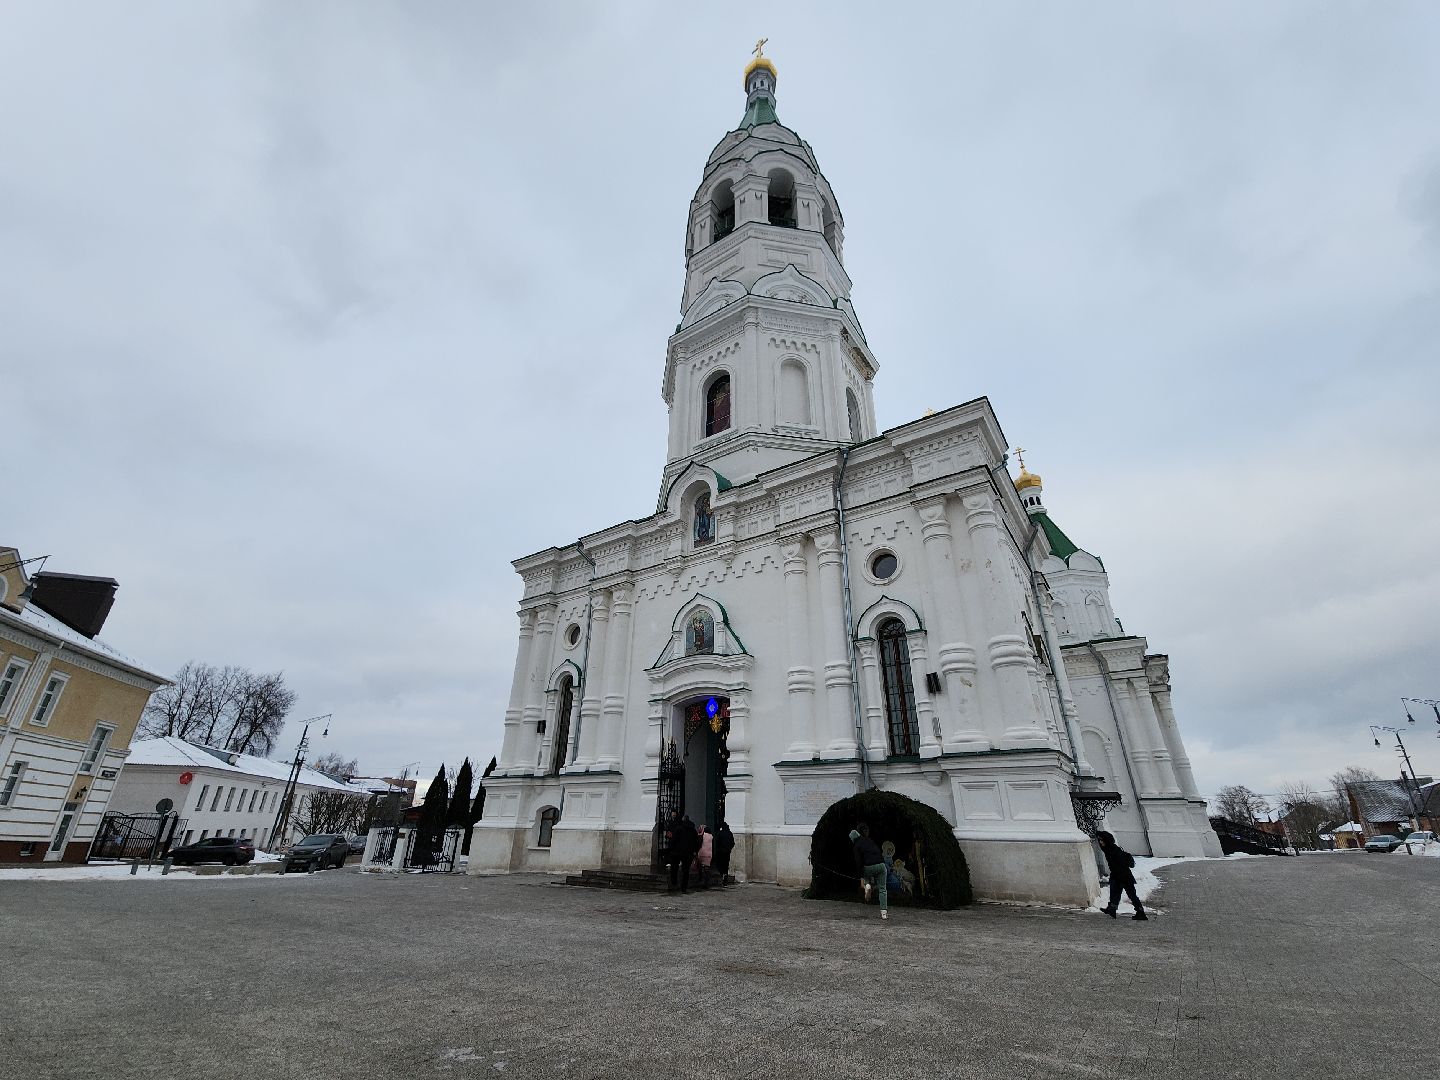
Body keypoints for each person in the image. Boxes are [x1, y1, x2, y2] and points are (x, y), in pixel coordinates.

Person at [1095, 830, 1147, 921]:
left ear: (1107, 841)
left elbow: (1121, 864)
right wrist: (1097, 833)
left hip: (1123, 876)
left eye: (1102, 840)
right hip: (1120, 875)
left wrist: (1118, 877)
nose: (1100, 842)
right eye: (1100, 840)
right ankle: (1112, 909)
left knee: (1131, 895)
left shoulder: (1114, 850)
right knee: (1115, 892)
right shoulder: (1109, 848)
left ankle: (1140, 912)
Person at [849, 823, 889, 920]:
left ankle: (867, 885)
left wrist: (861, 877)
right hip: (882, 866)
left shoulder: (856, 845)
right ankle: (884, 913)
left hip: (869, 867)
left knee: (865, 872)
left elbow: (859, 862)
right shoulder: (869, 840)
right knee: (883, 889)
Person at [665, 810, 698, 893]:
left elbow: (673, 840)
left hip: (677, 852)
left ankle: (674, 881)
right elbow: (696, 842)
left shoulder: (679, 829)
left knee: (674, 867)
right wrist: (695, 851)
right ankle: (684, 887)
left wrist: (671, 849)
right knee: (686, 871)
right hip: (688, 853)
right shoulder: (693, 830)